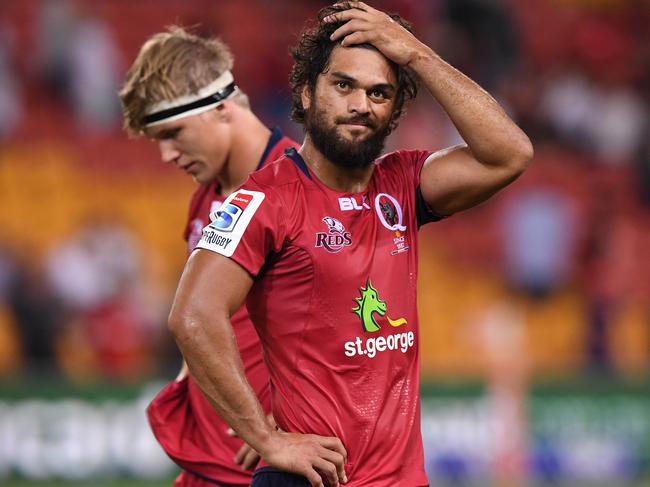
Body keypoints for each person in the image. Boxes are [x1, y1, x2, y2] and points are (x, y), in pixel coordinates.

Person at [168, 3, 533, 487]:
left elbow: (511, 153)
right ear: (305, 91)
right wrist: (267, 438)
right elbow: (193, 314)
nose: (361, 104)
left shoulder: (402, 184)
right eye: (343, 86)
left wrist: (418, 56)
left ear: (394, 109)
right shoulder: (265, 199)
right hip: (312, 479)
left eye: (380, 92)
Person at [119, 26, 299, 487]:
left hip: (262, 467)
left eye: (173, 132)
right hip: (206, 463)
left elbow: (358, 323)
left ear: (221, 108)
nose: (166, 154)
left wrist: (279, 422)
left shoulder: (303, 191)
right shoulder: (205, 198)